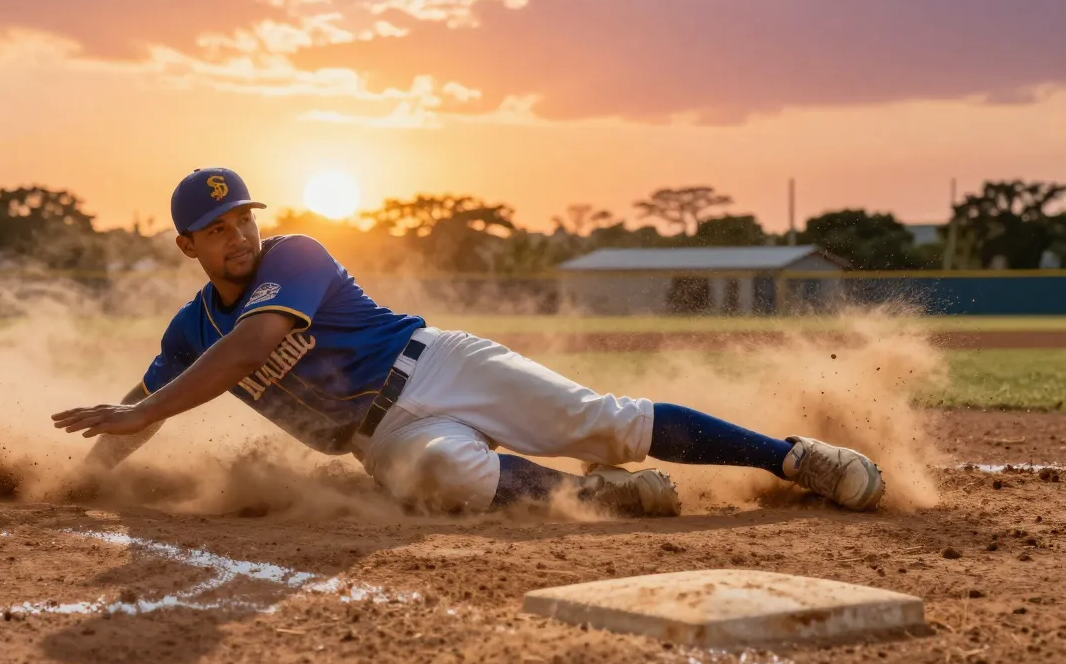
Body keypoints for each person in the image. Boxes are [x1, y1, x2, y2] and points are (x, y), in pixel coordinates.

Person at [52, 167, 885, 517]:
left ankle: (795, 459)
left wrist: (139, 412)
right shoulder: (189, 329)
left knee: (606, 423)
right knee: (447, 475)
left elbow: (249, 347)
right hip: (383, 437)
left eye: (242, 217)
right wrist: (82, 480)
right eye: (215, 228)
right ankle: (591, 498)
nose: (237, 234)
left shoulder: (295, 256)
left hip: (438, 366)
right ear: (186, 248)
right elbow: (143, 408)